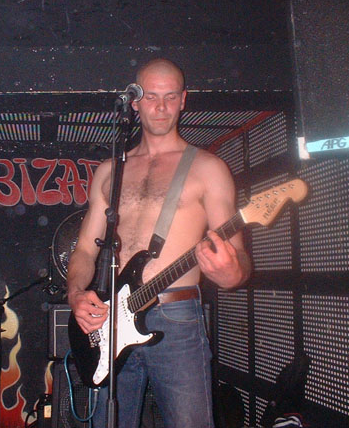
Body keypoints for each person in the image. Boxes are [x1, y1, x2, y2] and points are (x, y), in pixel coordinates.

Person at [66, 58, 251, 428]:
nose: (162, 107)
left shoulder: (208, 168)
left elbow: (240, 259)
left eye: (170, 97)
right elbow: (85, 249)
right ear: (134, 102)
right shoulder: (109, 171)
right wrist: (74, 294)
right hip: (112, 319)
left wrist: (231, 272)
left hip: (176, 316)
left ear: (183, 100)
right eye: (151, 97)